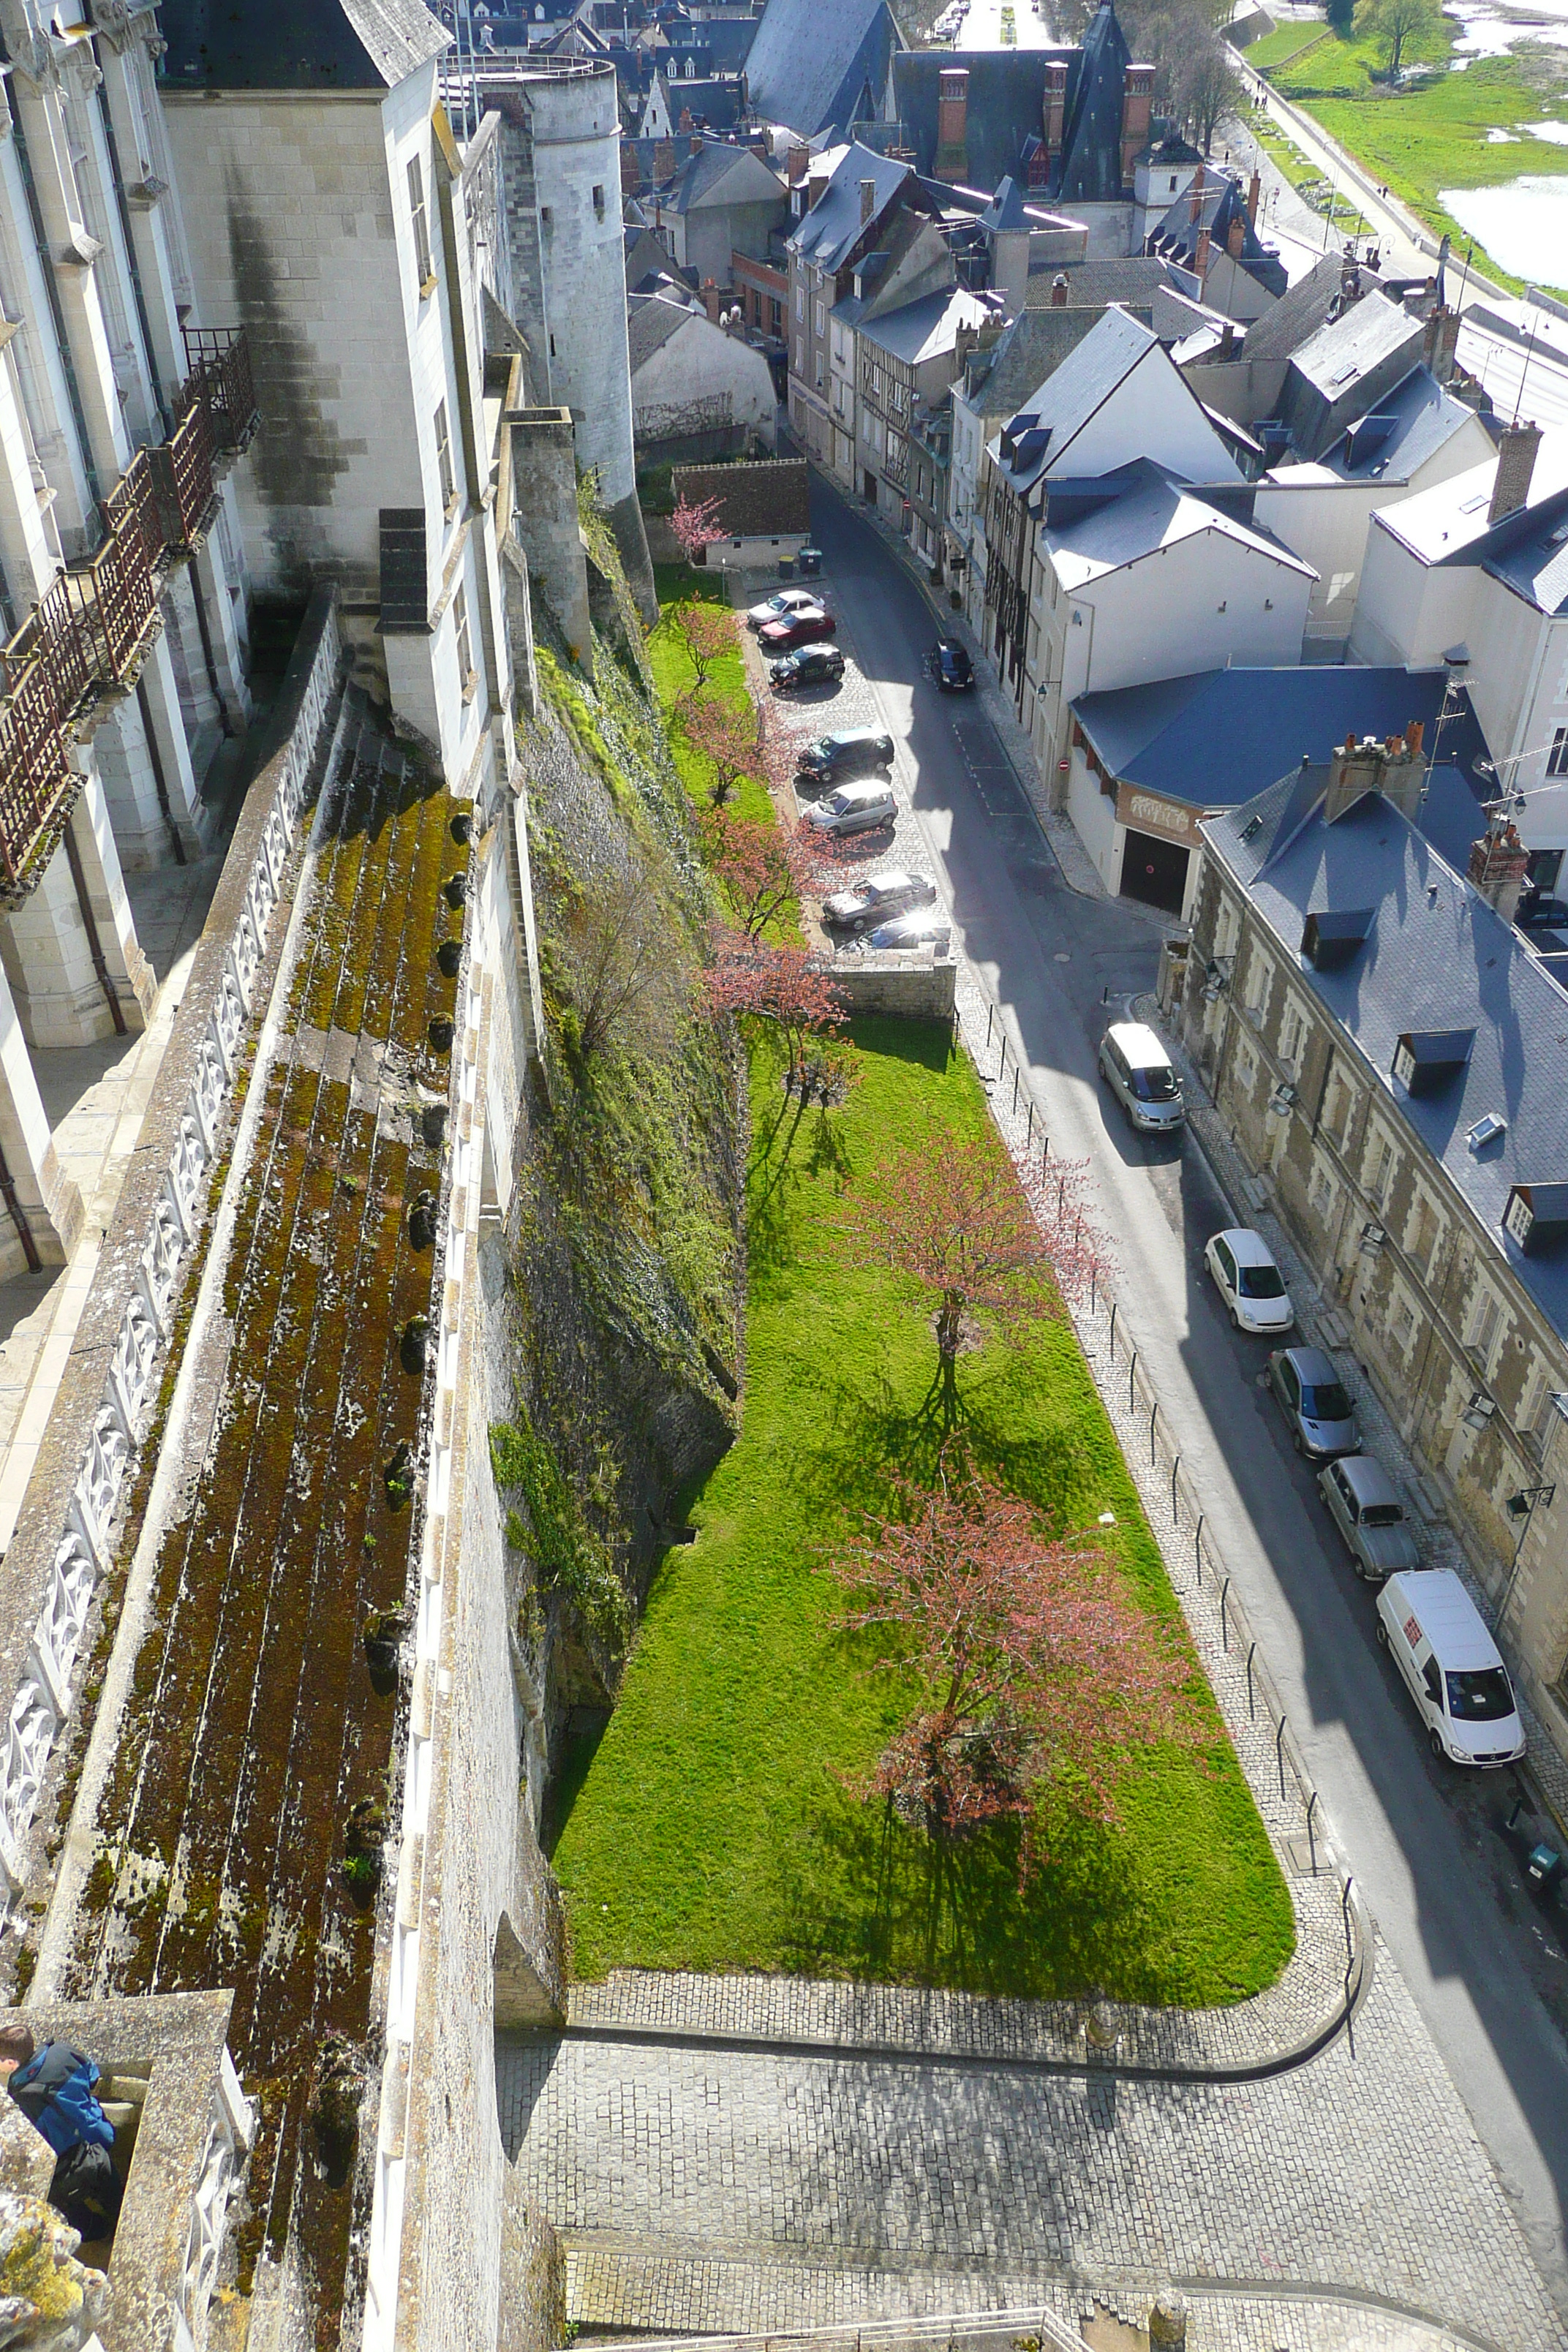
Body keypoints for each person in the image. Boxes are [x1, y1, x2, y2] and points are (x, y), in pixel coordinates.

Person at [0, 2024, 124, 2241]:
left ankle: (100, 2231)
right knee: (116, 2195)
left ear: (10, 2063)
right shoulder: (62, 2050)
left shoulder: (23, 2096)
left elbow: (43, 2137)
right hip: (98, 2135)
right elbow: (92, 2074)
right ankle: (121, 2217)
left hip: (71, 2162)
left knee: (66, 2209)